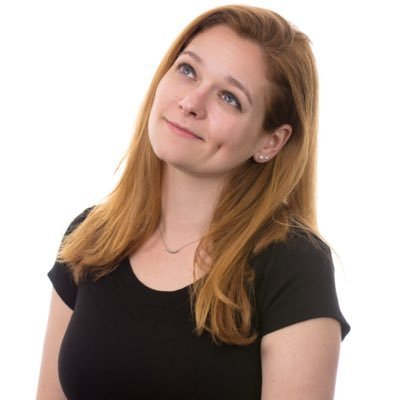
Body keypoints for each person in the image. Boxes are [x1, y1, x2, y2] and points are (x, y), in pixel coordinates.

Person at [36, 4, 350, 400]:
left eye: (229, 97)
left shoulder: (292, 265)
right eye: (187, 70)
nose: (191, 102)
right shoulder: (90, 239)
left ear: (271, 141)